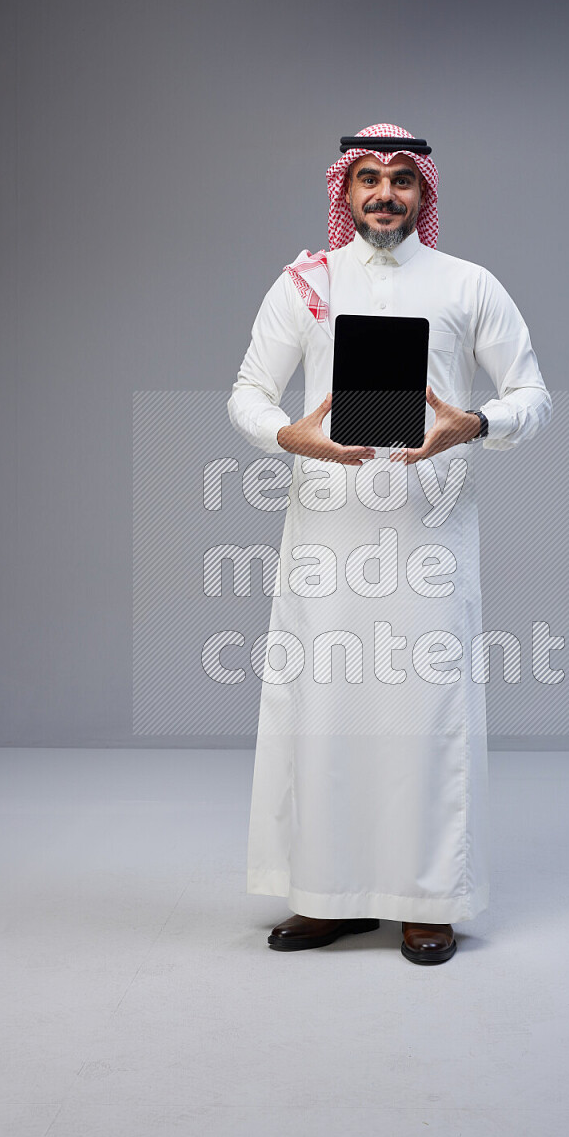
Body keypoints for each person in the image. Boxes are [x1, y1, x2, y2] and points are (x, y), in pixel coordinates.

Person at [227, 123, 551, 965]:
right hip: (327, 537)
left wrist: (474, 424)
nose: (383, 194)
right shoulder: (306, 283)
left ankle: (425, 899)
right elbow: (249, 393)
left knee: (425, 715)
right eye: (367, 178)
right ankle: (329, 896)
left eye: (400, 180)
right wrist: (285, 437)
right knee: (326, 712)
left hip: (428, 535)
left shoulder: (468, 284)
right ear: (344, 191)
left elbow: (532, 395)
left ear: (423, 194)